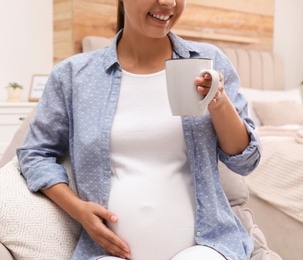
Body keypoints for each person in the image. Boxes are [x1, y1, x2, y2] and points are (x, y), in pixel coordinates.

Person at [16, 0, 261, 259]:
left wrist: (218, 101)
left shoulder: (208, 62)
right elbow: (35, 153)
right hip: (106, 253)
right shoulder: (74, 75)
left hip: (206, 248)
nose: (168, 2)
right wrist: (78, 210)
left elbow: (246, 161)